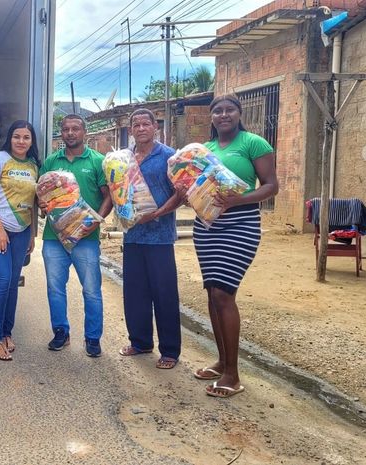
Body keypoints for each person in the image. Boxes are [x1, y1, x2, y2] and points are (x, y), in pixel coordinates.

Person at [192, 94, 278, 398]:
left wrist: (237, 200)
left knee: (223, 293)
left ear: (239, 114)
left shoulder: (254, 143)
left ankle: (233, 375)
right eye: (217, 111)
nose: (223, 115)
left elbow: (271, 186)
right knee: (212, 293)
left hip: (241, 224)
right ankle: (221, 361)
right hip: (207, 226)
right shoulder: (207, 149)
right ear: (211, 117)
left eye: (229, 110)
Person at [39, 114, 112, 357]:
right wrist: (42, 204)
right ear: (61, 133)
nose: (70, 133)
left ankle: (93, 338)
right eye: (66, 129)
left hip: (86, 238)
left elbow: (108, 195)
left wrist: (96, 221)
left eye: (75, 129)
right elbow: (41, 193)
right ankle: (60, 332)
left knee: (91, 289)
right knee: (54, 288)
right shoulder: (51, 161)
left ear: (84, 133)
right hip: (54, 237)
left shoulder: (97, 161)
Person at [118, 109, 182, 369]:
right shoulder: (124, 158)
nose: (141, 128)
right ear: (131, 129)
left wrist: (157, 213)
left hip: (160, 237)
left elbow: (181, 193)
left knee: (164, 294)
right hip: (133, 235)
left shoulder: (169, 156)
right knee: (134, 293)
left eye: (146, 123)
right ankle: (141, 341)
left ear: (156, 126)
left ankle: (170, 351)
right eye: (136, 124)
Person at [0, 120, 40, 361]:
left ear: (32, 141)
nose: (21, 141)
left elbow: (34, 202)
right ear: (9, 138)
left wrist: (32, 233)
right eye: (17, 136)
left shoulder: (35, 165)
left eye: (26, 137)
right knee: (2, 280)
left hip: (22, 230)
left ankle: (6, 333)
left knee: (13, 283)